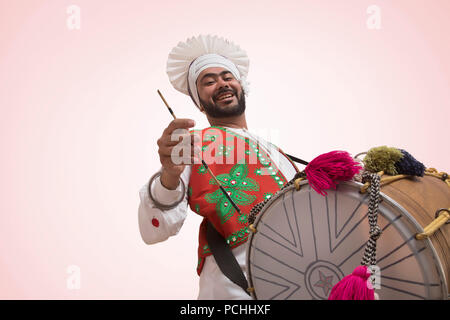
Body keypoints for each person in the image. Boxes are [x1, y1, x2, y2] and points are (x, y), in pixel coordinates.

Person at [138, 35, 299, 299]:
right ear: (200, 103)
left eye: (227, 77)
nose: (222, 83)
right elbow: (154, 230)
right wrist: (169, 173)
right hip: (233, 286)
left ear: (241, 86)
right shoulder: (192, 144)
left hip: (294, 279)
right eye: (209, 81)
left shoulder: (278, 152)